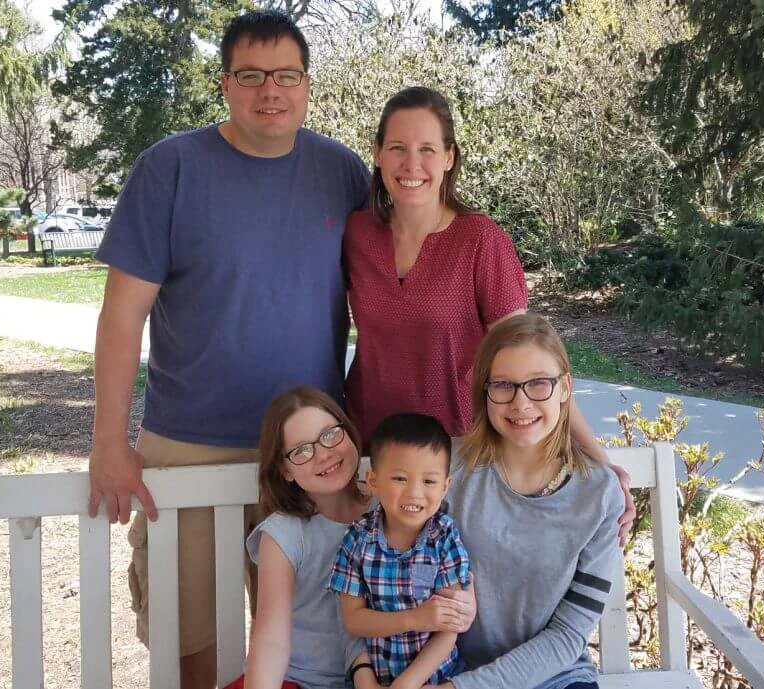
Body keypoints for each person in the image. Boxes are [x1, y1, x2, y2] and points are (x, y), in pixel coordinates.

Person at [87, 10, 370, 688]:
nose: (270, 91)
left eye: (287, 75)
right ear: (224, 83)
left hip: (311, 454)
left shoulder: (342, 172)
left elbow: (389, 296)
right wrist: (108, 439)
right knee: (192, 646)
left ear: (307, 84)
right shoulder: (170, 169)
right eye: (251, 75)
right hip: (190, 445)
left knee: (315, 646)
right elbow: (122, 315)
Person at [342, 87, 614, 490]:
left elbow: (528, 359)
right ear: (378, 152)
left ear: (449, 157)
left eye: (427, 149)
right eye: (397, 147)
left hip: (459, 460)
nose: (411, 163)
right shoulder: (356, 234)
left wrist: (600, 462)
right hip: (371, 455)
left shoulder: (481, 241)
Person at [430, 313, 626, 689]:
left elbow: (568, 635)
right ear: (484, 391)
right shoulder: (446, 471)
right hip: (447, 667)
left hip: (554, 675)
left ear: (565, 387)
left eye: (538, 383)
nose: (520, 403)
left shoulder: (599, 495)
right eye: (503, 385)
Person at [240, 388, 476, 689]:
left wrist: (464, 606)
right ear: (285, 470)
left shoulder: (395, 504)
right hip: (307, 680)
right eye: (301, 450)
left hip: (392, 676)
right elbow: (271, 638)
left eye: (329, 435)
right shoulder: (285, 533)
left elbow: (452, 604)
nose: (323, 454)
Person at [329, 413, 471, 688]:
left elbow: (449, 628)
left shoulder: (445, 538)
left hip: (439, 679)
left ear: (445, 486)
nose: (414, 493)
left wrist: (406, 684)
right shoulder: (358, 539)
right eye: (400, 478)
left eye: (429, 481)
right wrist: (414, 619)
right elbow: (353, 619)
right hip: (372, 679)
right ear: (373, 481)